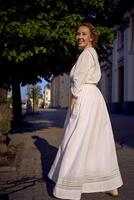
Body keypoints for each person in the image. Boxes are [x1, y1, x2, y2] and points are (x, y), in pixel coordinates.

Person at [48, 22, 123, 200]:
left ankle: (68, 187)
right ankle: (110, 184)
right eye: (78, 34)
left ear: (91, 38)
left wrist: (73, 99)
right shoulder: (92, 54)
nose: (79, 37)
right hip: (94, 99)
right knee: (98, 142)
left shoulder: (86, 55)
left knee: (76, 139)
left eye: (83, 34)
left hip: (84, 98)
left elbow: (78, 80)